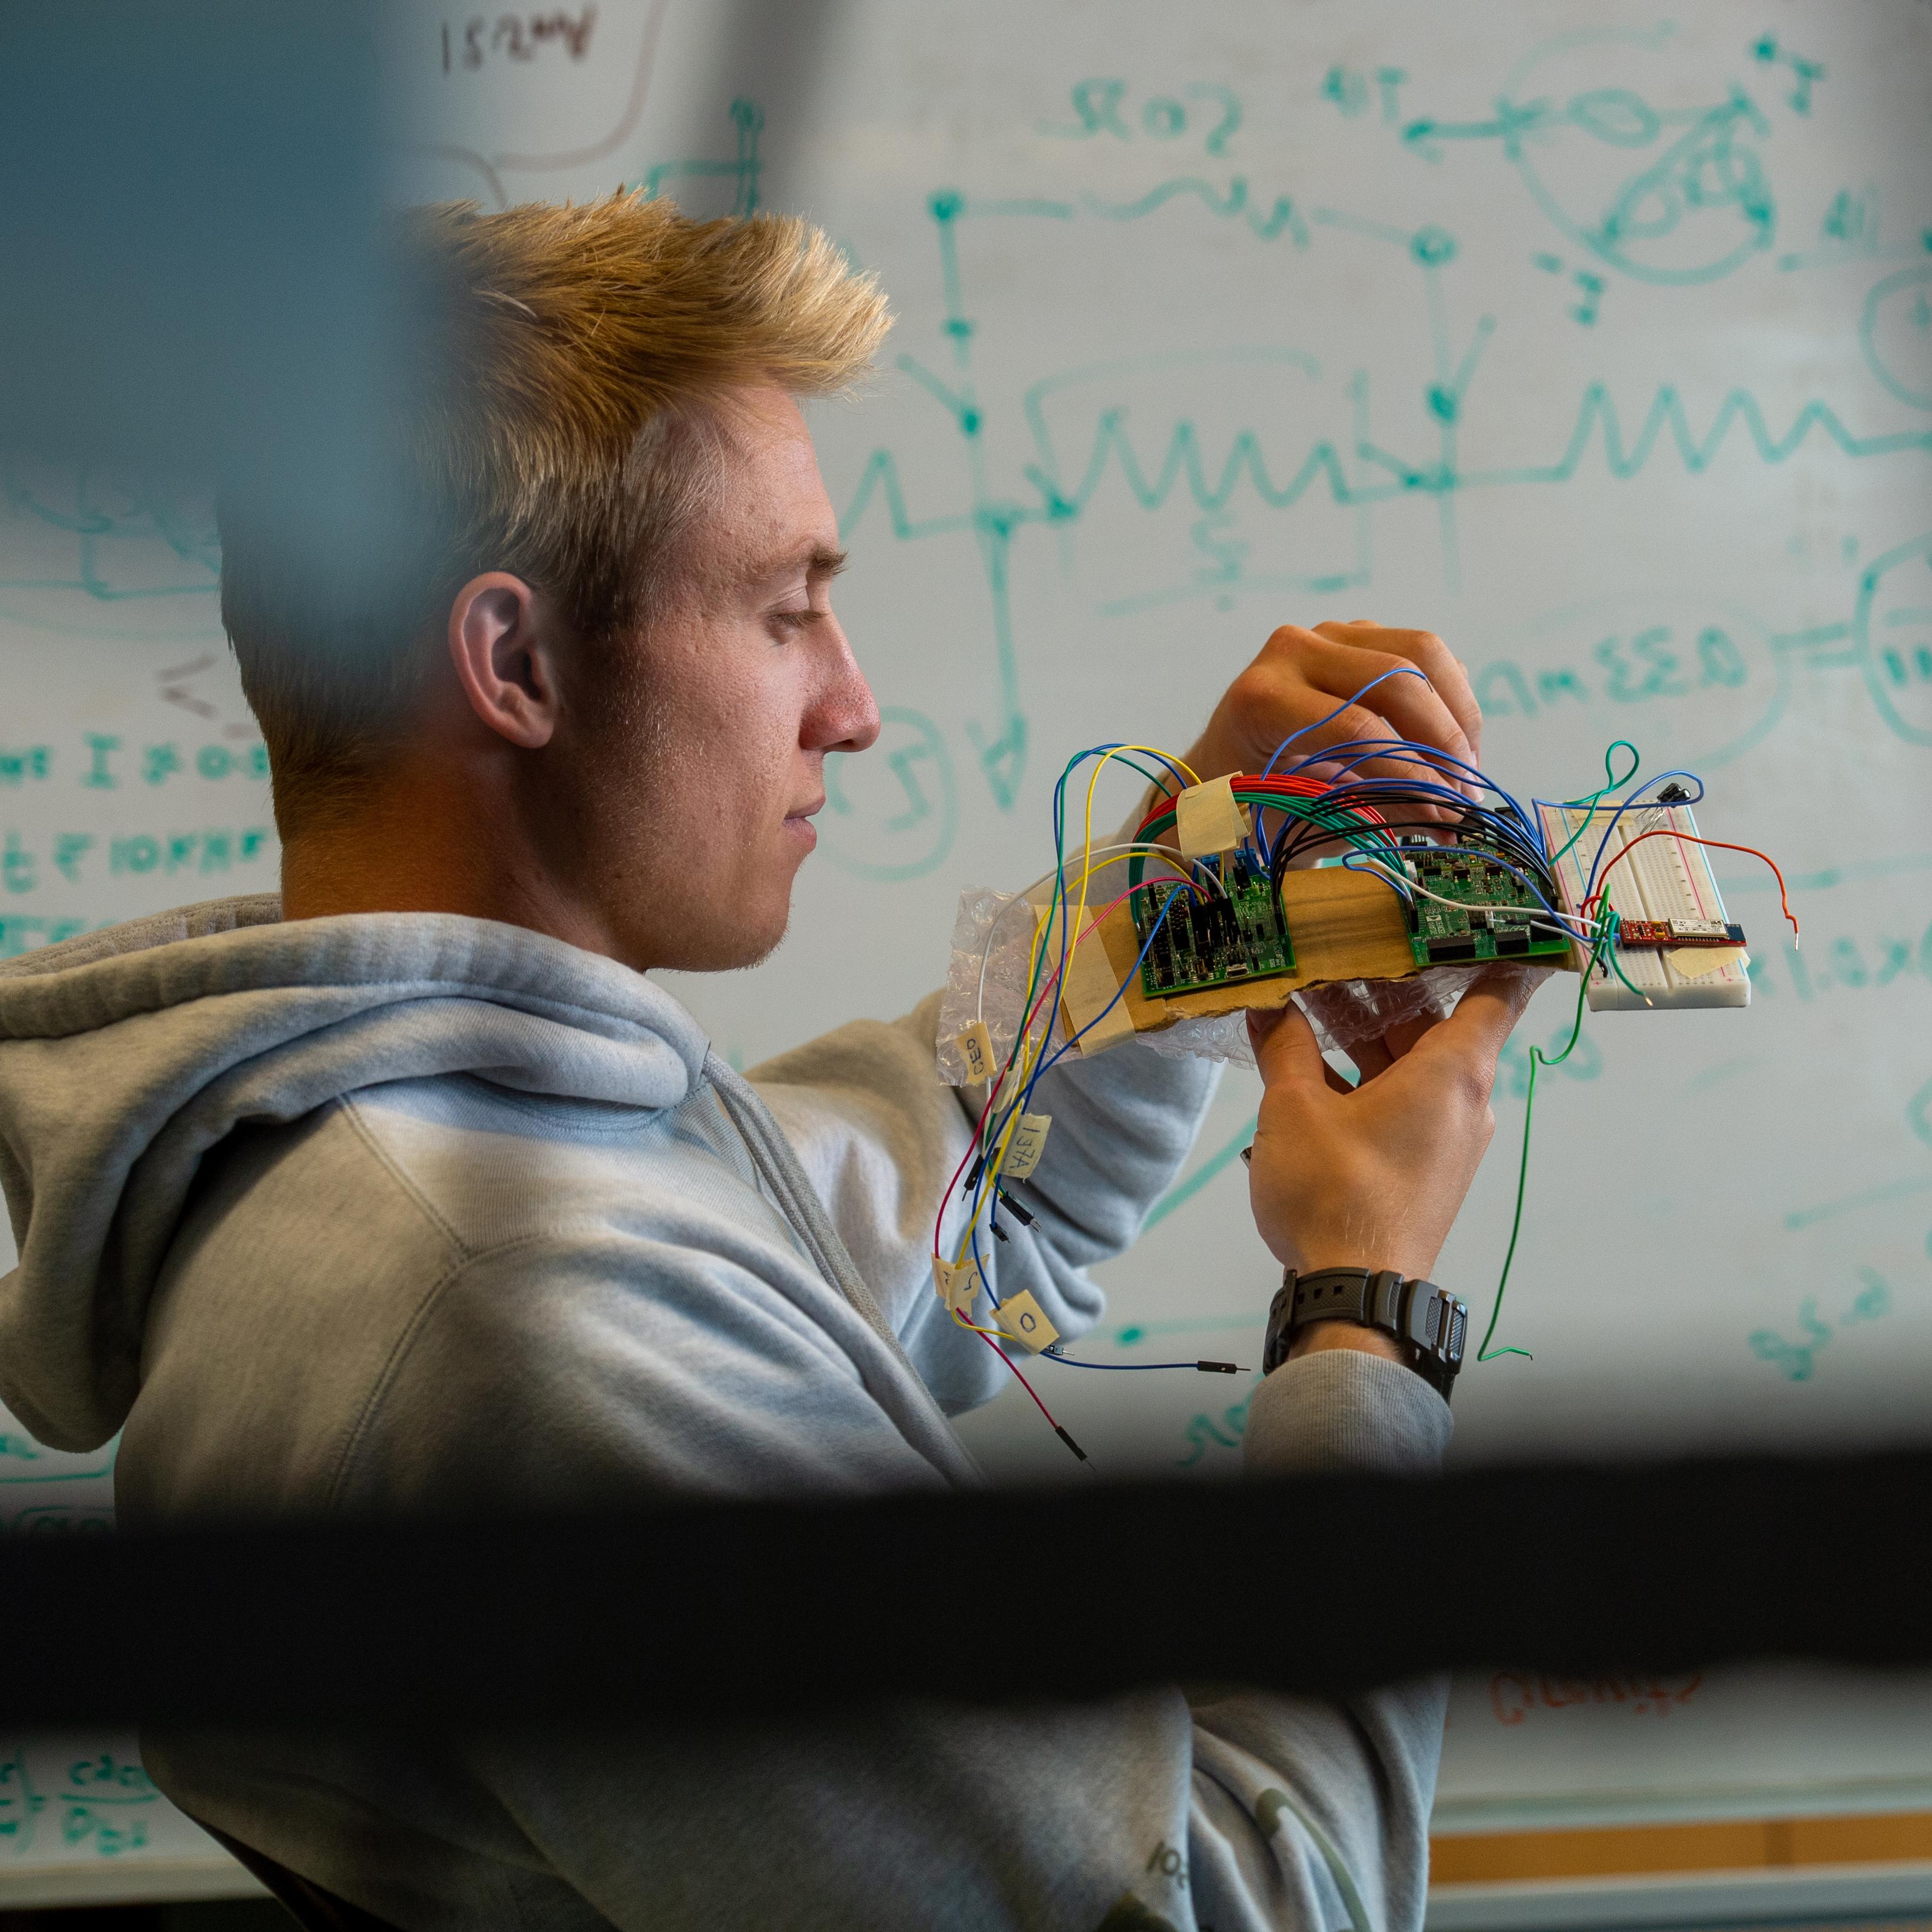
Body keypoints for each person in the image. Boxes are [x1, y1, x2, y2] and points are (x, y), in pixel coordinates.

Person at [0, 194, 1537, 1931]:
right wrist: (1366, 1305)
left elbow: (953, 1196)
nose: (855, 705)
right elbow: (1260, 1906)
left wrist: (1193, 872)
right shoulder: (528, 1314)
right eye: (784, 609)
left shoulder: (375, 1150)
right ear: (512, 663)